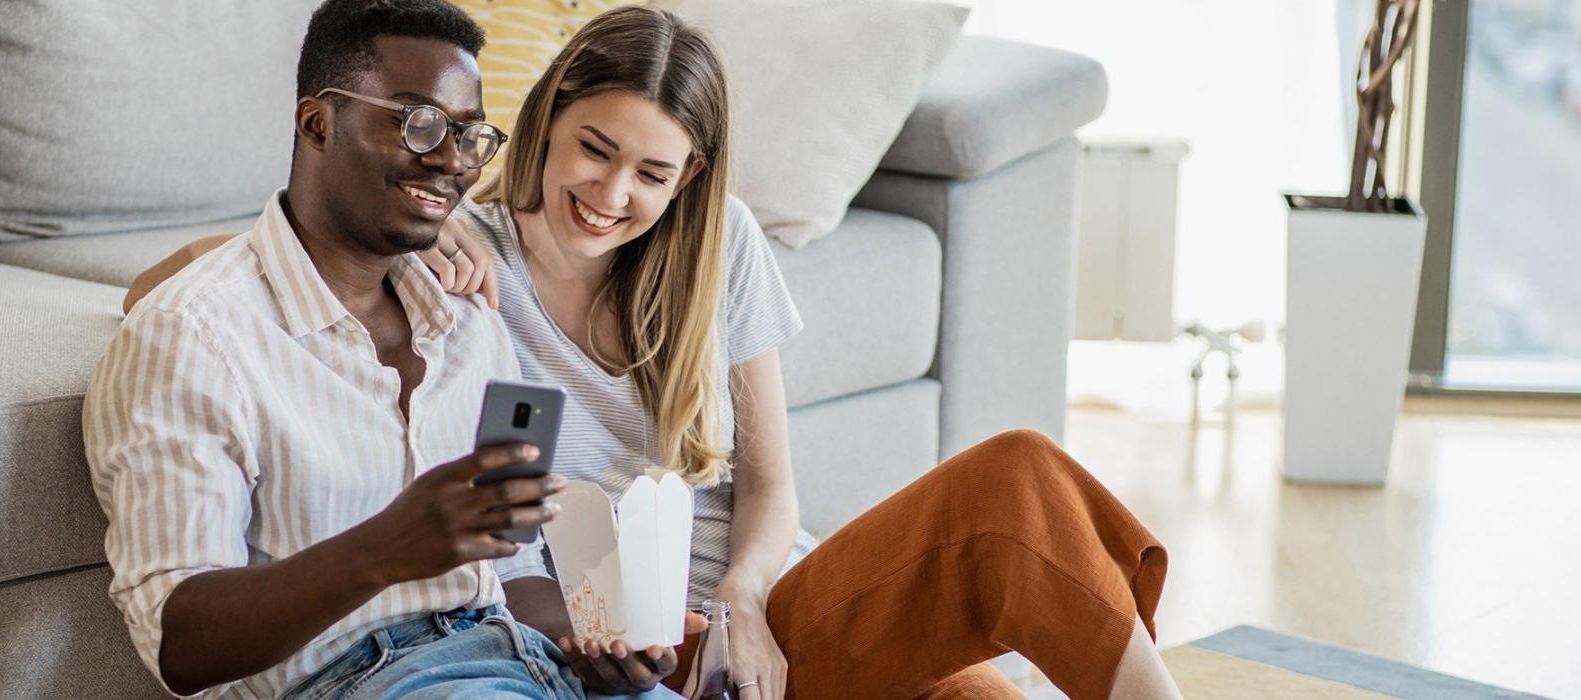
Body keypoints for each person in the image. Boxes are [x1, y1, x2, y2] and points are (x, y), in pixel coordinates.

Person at [126, 7, 1181, 700]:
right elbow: (189, 281)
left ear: (690, 181)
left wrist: (748, 607)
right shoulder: (457, 263)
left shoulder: (717, 251)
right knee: (1008, 499)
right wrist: (436, 219)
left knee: (992, 620)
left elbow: (771, 490)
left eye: (653, 173)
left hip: (765, 613)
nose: (612, 194)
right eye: (594, 148)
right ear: (546, 123)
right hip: (623, 641)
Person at [84, 1, 695, 698]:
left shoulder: (470, 320)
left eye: (467, 135)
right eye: (418, 123)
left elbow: (515, 567)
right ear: (318, 122)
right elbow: (178, 642)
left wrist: (587, 641)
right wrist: (385, 549)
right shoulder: (192, 338)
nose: (449, 162)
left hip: (525, 661)